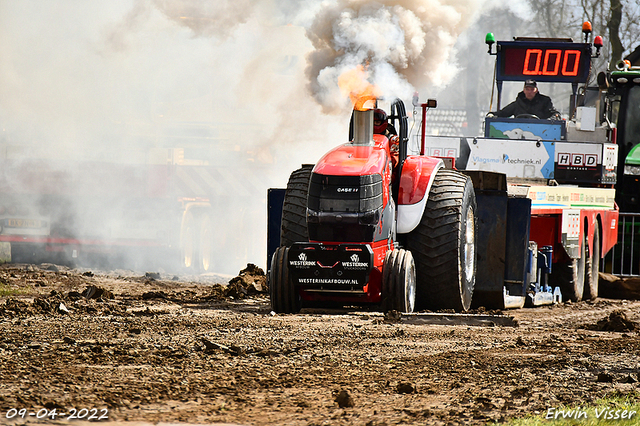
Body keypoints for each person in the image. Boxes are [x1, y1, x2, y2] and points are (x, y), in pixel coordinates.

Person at [492, 79, 561, 120]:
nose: (529, 92)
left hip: (541, 134)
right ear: (524, 90)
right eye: (527, 89)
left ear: (536, 90)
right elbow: (503, 113)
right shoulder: (518, 104)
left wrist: (555, 117)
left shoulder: (545, 102)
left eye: (532, 89)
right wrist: (492, 115)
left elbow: (553, 114)